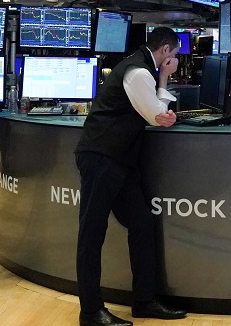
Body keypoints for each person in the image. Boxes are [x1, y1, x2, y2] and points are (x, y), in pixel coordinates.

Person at [74, 27, 187, 325]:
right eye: (174, 55)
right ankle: (90, 312)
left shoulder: (141, 67)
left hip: (119, 160)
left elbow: (157, 113)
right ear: (165, 51)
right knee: (92, 234)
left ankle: (144, 300)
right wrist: (164, 80)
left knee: (142, 223)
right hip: (101, 157)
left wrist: (161, 92)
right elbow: (158, 117)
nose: (174, 60)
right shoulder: (139, 73)